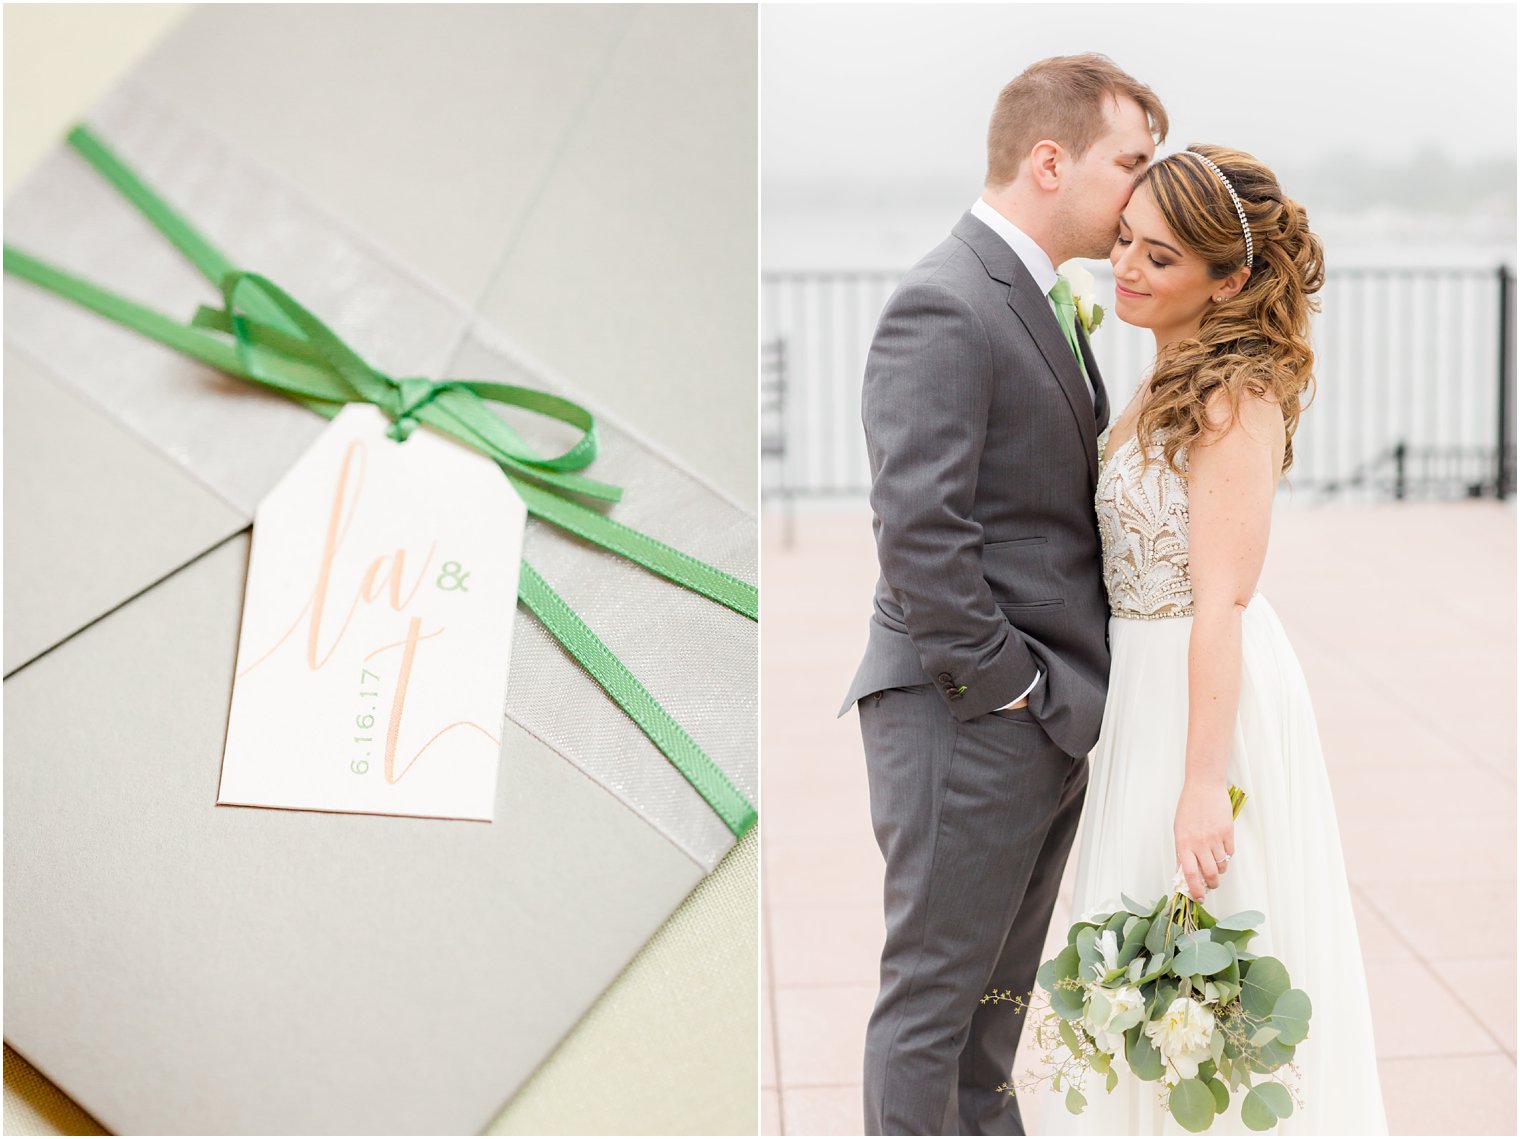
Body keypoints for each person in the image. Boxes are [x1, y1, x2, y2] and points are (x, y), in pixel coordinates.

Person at [838, 54, 1168, 1134]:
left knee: (991, 1018)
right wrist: (1010, 691)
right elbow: (919, 532)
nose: (1142, 190)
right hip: (968, 715)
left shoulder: (1035, 295)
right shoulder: (942, 303)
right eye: (1129, 162)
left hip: (1036, 718)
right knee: (932, 1008)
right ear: (1047, 159)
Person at [1040, 145, 1387, 1133]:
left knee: (1203, 964)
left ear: (1227, 278)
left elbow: (1220, 604)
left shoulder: (1234, 398)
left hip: (1202, 698)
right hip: (1143, 695)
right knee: (1137, 964)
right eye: (1122, 243)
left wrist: (1201, 783)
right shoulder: (1159, 378)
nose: (1126, 269)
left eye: (1158, 257)